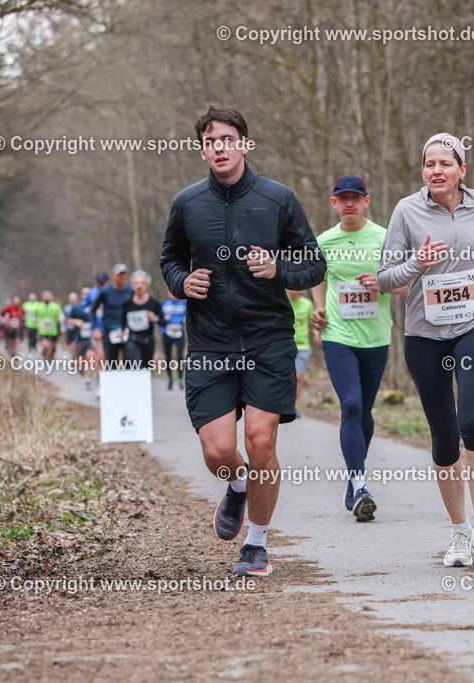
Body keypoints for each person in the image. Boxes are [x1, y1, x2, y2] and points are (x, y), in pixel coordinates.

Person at [160, 104, 326, 577]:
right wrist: (181, 282)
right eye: (210, 141)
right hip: (210, 343)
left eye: (227, 139)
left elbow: (314, 265)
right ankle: (237, 489)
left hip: (268, 339)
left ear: (244, 145)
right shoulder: (188, 203)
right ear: (202, 151)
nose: (219, 148)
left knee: (259, 443)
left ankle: (256, 543)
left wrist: (279, 270)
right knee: (217, 450)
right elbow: (169, 258)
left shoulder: (278, 199)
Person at [377, 133, 474, 567]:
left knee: (472, 419)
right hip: (425, 334)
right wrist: (419, 262)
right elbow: (384, 278)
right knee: (443, 436)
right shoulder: (407, 210)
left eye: (445, 163)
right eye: (429, 163)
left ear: (462, 170)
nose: (436, 170)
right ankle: (459, 534)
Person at [312, 174, 406, 522]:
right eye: (342, 198)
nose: (349, 203)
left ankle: (353, 484)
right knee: (350, 404)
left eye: (355, 197)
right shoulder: (324, 240)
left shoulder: (384, 238)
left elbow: (408, 287)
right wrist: (319, 307)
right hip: (339, 336)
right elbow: (319, 276)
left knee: (364, 411)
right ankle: (361, 484)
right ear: (334, 203)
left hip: (376, 337)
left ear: (367, 201)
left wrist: (381, 283)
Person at [90, 264, 133, 364]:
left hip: (126, 330)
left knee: (129, 362)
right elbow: (93, 310)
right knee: (112, 362)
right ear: (114, 276)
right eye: (119, 274)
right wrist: (96, 329)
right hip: (110, 330)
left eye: (124, 274)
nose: (122, 276)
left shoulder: (130, 291)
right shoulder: (105, 291)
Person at [121, 270, 164, 370]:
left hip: (148, 340)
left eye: (142, 283)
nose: (139, 286)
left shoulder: (154, 303)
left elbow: (163, 322)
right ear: (132, 286)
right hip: (133, 340)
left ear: (147, 285)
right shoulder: (127, 303)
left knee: (146, 369)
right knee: (136, 365)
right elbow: (122, 318)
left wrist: (155, 319)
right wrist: (123, 331)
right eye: (136, 283)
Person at [286, 289, 314, 418]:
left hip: (302, 347)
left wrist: (318, 333)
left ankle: (292, 406)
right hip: (284, 346)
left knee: (297, 377)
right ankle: (280, 404)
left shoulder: (307, 304)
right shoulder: (281, 301)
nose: (293, 291)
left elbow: (312, 323)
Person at [67, 286, 95, 389]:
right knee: (81, 360)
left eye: (89, 293)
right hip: (79, 338)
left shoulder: (95, 306)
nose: (86, 295)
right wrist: (76, 322)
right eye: (84, 293)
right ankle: (81, 368)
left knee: (90, 356)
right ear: (81, 295)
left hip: (91, 339)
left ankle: (88, 379)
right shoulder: (77, 307)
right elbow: (68, 320)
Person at [161, 292, 187, 390]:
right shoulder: (164, 304)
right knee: (168, 356)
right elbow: (158, 318)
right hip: (166, 332)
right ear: (168, 294)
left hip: (179, 332)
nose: (173, 295)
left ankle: (180, 380)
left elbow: (188, 316)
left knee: (180, 355)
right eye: (171, 293)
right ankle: (170, 379)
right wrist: (164, 318)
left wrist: (185, 319)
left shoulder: (183, 304)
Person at [35, 290, 66, 362]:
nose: (46, 298)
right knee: (45, 345)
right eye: (44, 296)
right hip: (42, 330)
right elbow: (35, 316)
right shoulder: (39, 306)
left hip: (53, 330)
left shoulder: (56, 306)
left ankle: (50, 360)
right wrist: (35, 323)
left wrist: (62, 326)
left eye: (47, 296)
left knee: (52, 347)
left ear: (51, 297)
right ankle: (44, 358)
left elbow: (61, 317)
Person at [63, 292, 81, 360]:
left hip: (79, 330)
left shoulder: (80, 307)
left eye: (74, 299)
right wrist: (63, 327)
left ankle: (78, 359)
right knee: (72, 346)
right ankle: (74, 358)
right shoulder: (66, 308)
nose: (73, 301)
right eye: (71, 299)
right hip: (70, 329)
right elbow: (64, 319)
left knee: (78, 346)